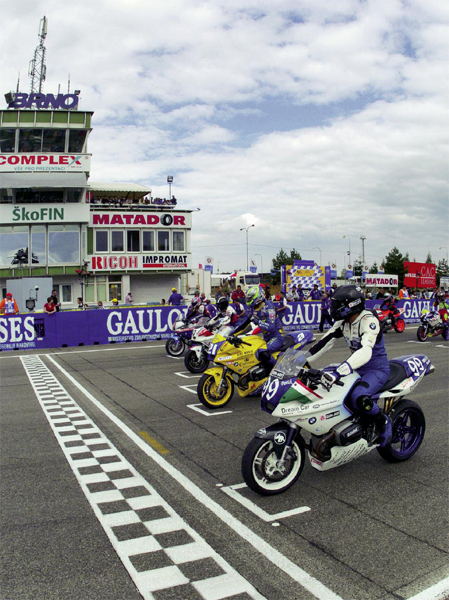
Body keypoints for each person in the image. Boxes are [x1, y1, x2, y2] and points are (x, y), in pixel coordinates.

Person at [307, 285, 392, 447]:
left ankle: (383, 421)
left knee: (358, 397)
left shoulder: (369, 321)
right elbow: (325, 342)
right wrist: (302, 360)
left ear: (351, 305)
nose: (333, 308)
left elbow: (366, 352)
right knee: (322, 382)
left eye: (337, 304)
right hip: (356, 366)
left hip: (376, 369)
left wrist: (340, 372)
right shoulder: (343, 321)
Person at [245, 285, 284, 368]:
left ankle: (278, 369)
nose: (248, 300)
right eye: (248, 298)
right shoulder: (254, 308)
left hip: (277, 337)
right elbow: (245, 324)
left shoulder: (269, 307)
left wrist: (257, 322)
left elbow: (271, 327)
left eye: (250, 298)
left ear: (257, 297)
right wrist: (232, 334)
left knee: (262, 352)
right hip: (266, 338)